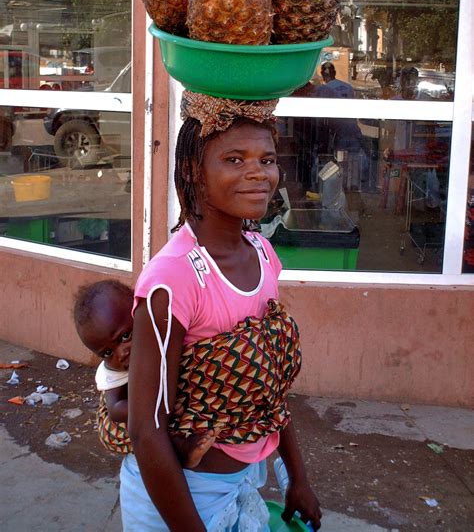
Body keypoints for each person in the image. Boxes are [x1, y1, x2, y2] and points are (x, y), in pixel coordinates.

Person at [126, 92, 322, 531]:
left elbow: (267, 381)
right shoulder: (174, 279)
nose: (257, 173)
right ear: (195, 172)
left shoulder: (263, 254)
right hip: (181, 496)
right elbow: (146, 429)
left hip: (242, 480)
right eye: (234, 159)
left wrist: (297, 478)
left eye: (266, 160)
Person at [73, 279, 217, 462]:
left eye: (126, 336)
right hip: (141, 413)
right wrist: (158, 406)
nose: (122, 353)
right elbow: (115, 409)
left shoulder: (161, 333)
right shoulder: (111, 373)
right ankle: (184, 451)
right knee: (155, 430)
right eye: (107, 352)